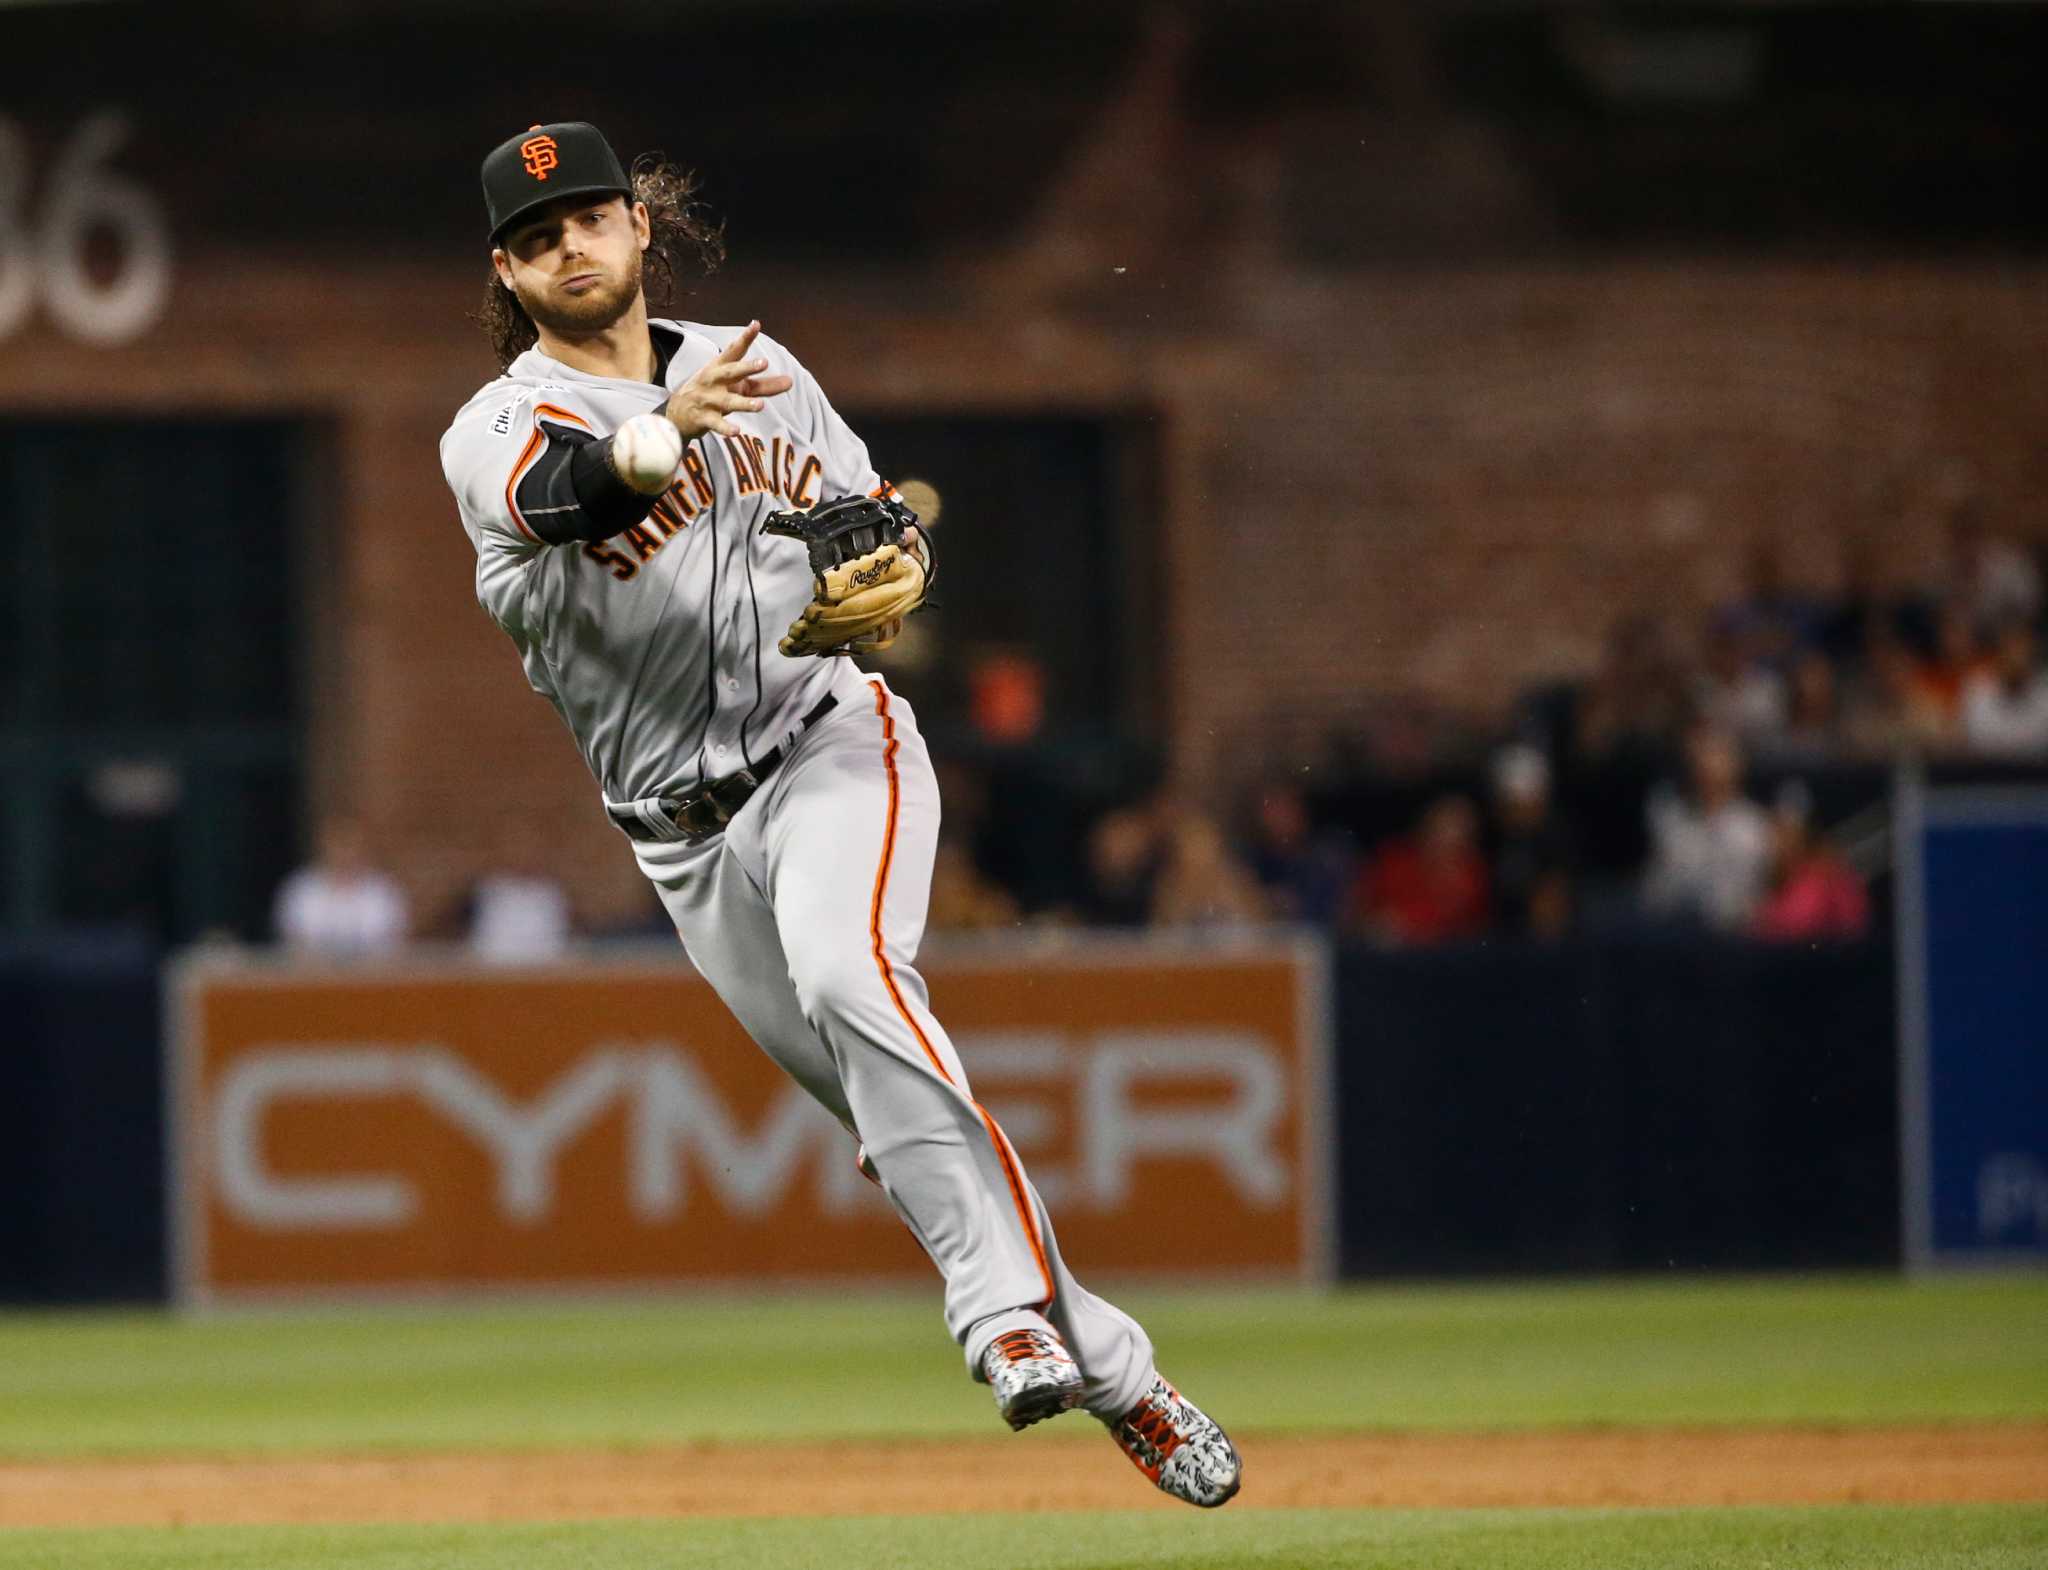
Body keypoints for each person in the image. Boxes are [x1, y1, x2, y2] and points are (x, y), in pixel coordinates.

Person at [437, 123, 1237, 1507]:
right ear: (508, 272)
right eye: (535, 234)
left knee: (850, 973)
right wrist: (659, 437)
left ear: (637, 224)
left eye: (587, 216)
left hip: (829, 748)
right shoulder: (494, 428)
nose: (569, 244)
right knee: (888, 1101)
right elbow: (569, 499)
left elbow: (875, 519)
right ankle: (1115, 1365)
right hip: (683, 838)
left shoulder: (764, 365)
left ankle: (995, 1320)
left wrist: (892, 552)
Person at [1641, 724, 1772, 931]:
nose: (1707, 764)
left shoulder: (1753, 825)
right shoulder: (1675, 821)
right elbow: (1657, 891)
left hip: (1734, 937)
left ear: (1737, 765)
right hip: (1674, 934)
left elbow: (1749, 896)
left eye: (1717, 754)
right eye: (1702, 755)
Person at [1350, 794, 1490, 947]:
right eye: (1443, 826)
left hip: (1440, 957)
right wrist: (1372, 924)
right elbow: (1358, 907)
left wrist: (1404, 924)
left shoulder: (1473, 872)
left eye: (1460, 829)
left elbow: (1463, 926)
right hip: (1383, 953)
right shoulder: (1394, 858)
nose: (1449, 836)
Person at [272, 816, 409, 958]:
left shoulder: (383, 893)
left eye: (350, 845)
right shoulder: (301, 891)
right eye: (339, 845)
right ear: (325, 846)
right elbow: (291, 946)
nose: (344, 853)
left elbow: (395, 948)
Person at [1752, 786, 1870, 944]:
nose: (1781, 843)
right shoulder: (1770, 878)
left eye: (1790, 834)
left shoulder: (1830, 876)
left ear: (1806, 836)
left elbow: (1854, 926)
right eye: (1778, 832)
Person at [1961, 620, 2048, 759]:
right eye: (2010, 649)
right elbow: (1976, 742)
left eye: (2022, 650)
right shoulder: (1977, 691)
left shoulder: (2044, 695)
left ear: (2033, 654)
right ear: (1999, 653)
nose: (2016, 657)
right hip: (1986, 775)